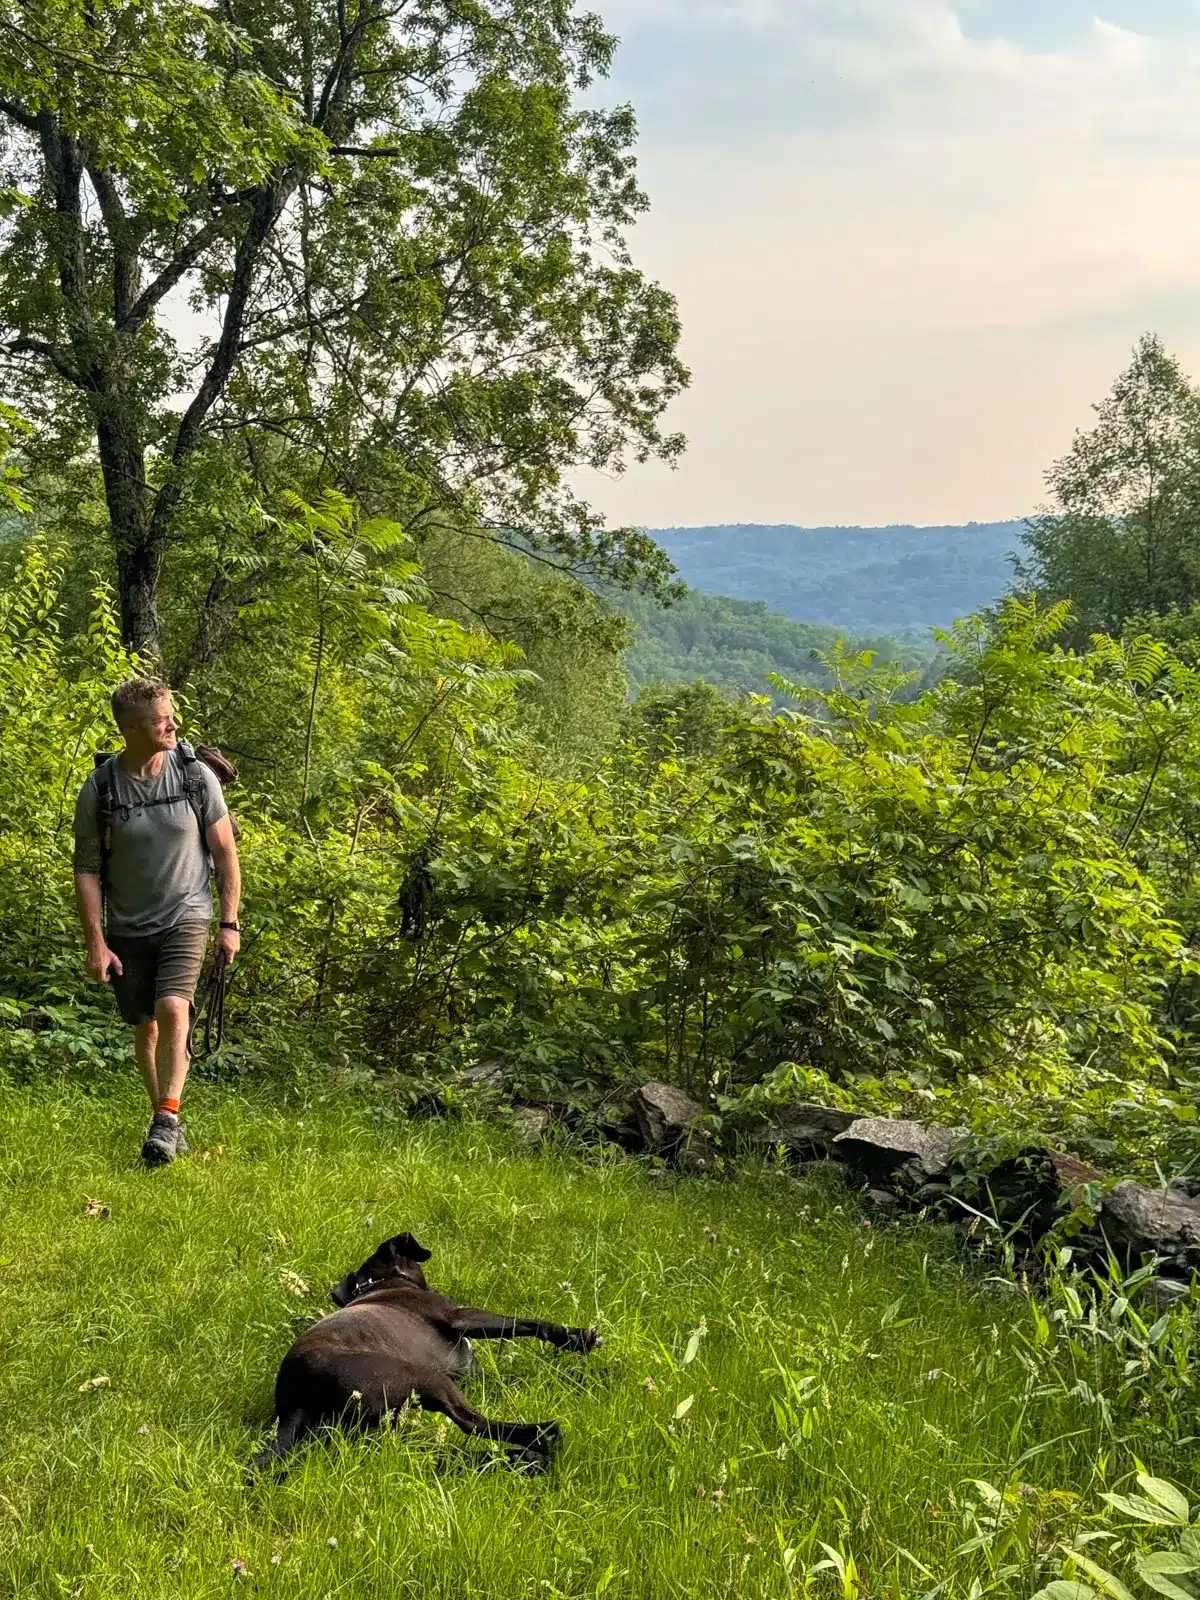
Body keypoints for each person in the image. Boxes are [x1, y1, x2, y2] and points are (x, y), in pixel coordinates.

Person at [73, 678, 242, 1166]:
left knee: (172, 1008)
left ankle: (166, 1117)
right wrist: (96, 942)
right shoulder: (101, 788)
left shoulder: (194, 776)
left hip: (188, 910)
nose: (173, 724)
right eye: (161, 718)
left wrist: (228, 923)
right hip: (127, 921)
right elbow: (86, 869)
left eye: (170, 714)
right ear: (130, 728)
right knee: (145, 1028)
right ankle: (166, 1121)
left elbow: (225, 853)